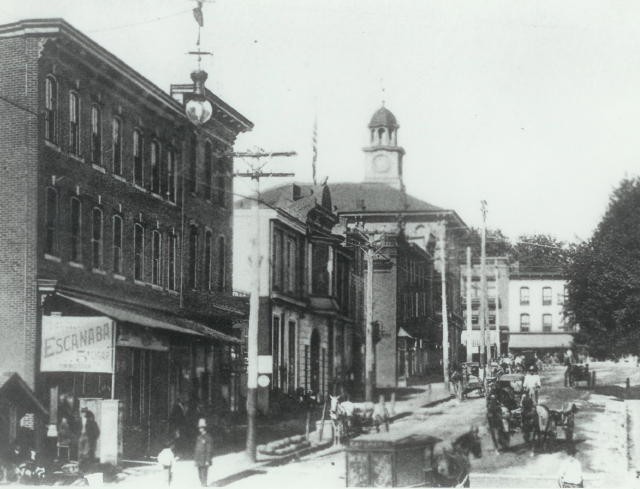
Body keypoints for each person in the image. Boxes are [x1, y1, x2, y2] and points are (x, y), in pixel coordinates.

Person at [193, 418, 214, 487]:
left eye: (201, 428)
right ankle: (202, 484)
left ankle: (204, 485)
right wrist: (195, 460)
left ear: (204, 428)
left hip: (204, 459)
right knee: (199, 475)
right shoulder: (198, 437)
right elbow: (196, 449)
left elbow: (209, 450)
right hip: (199, 459)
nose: (200, 429)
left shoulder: (208, 437)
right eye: (199, 428)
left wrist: (208, 460)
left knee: (204, 474)